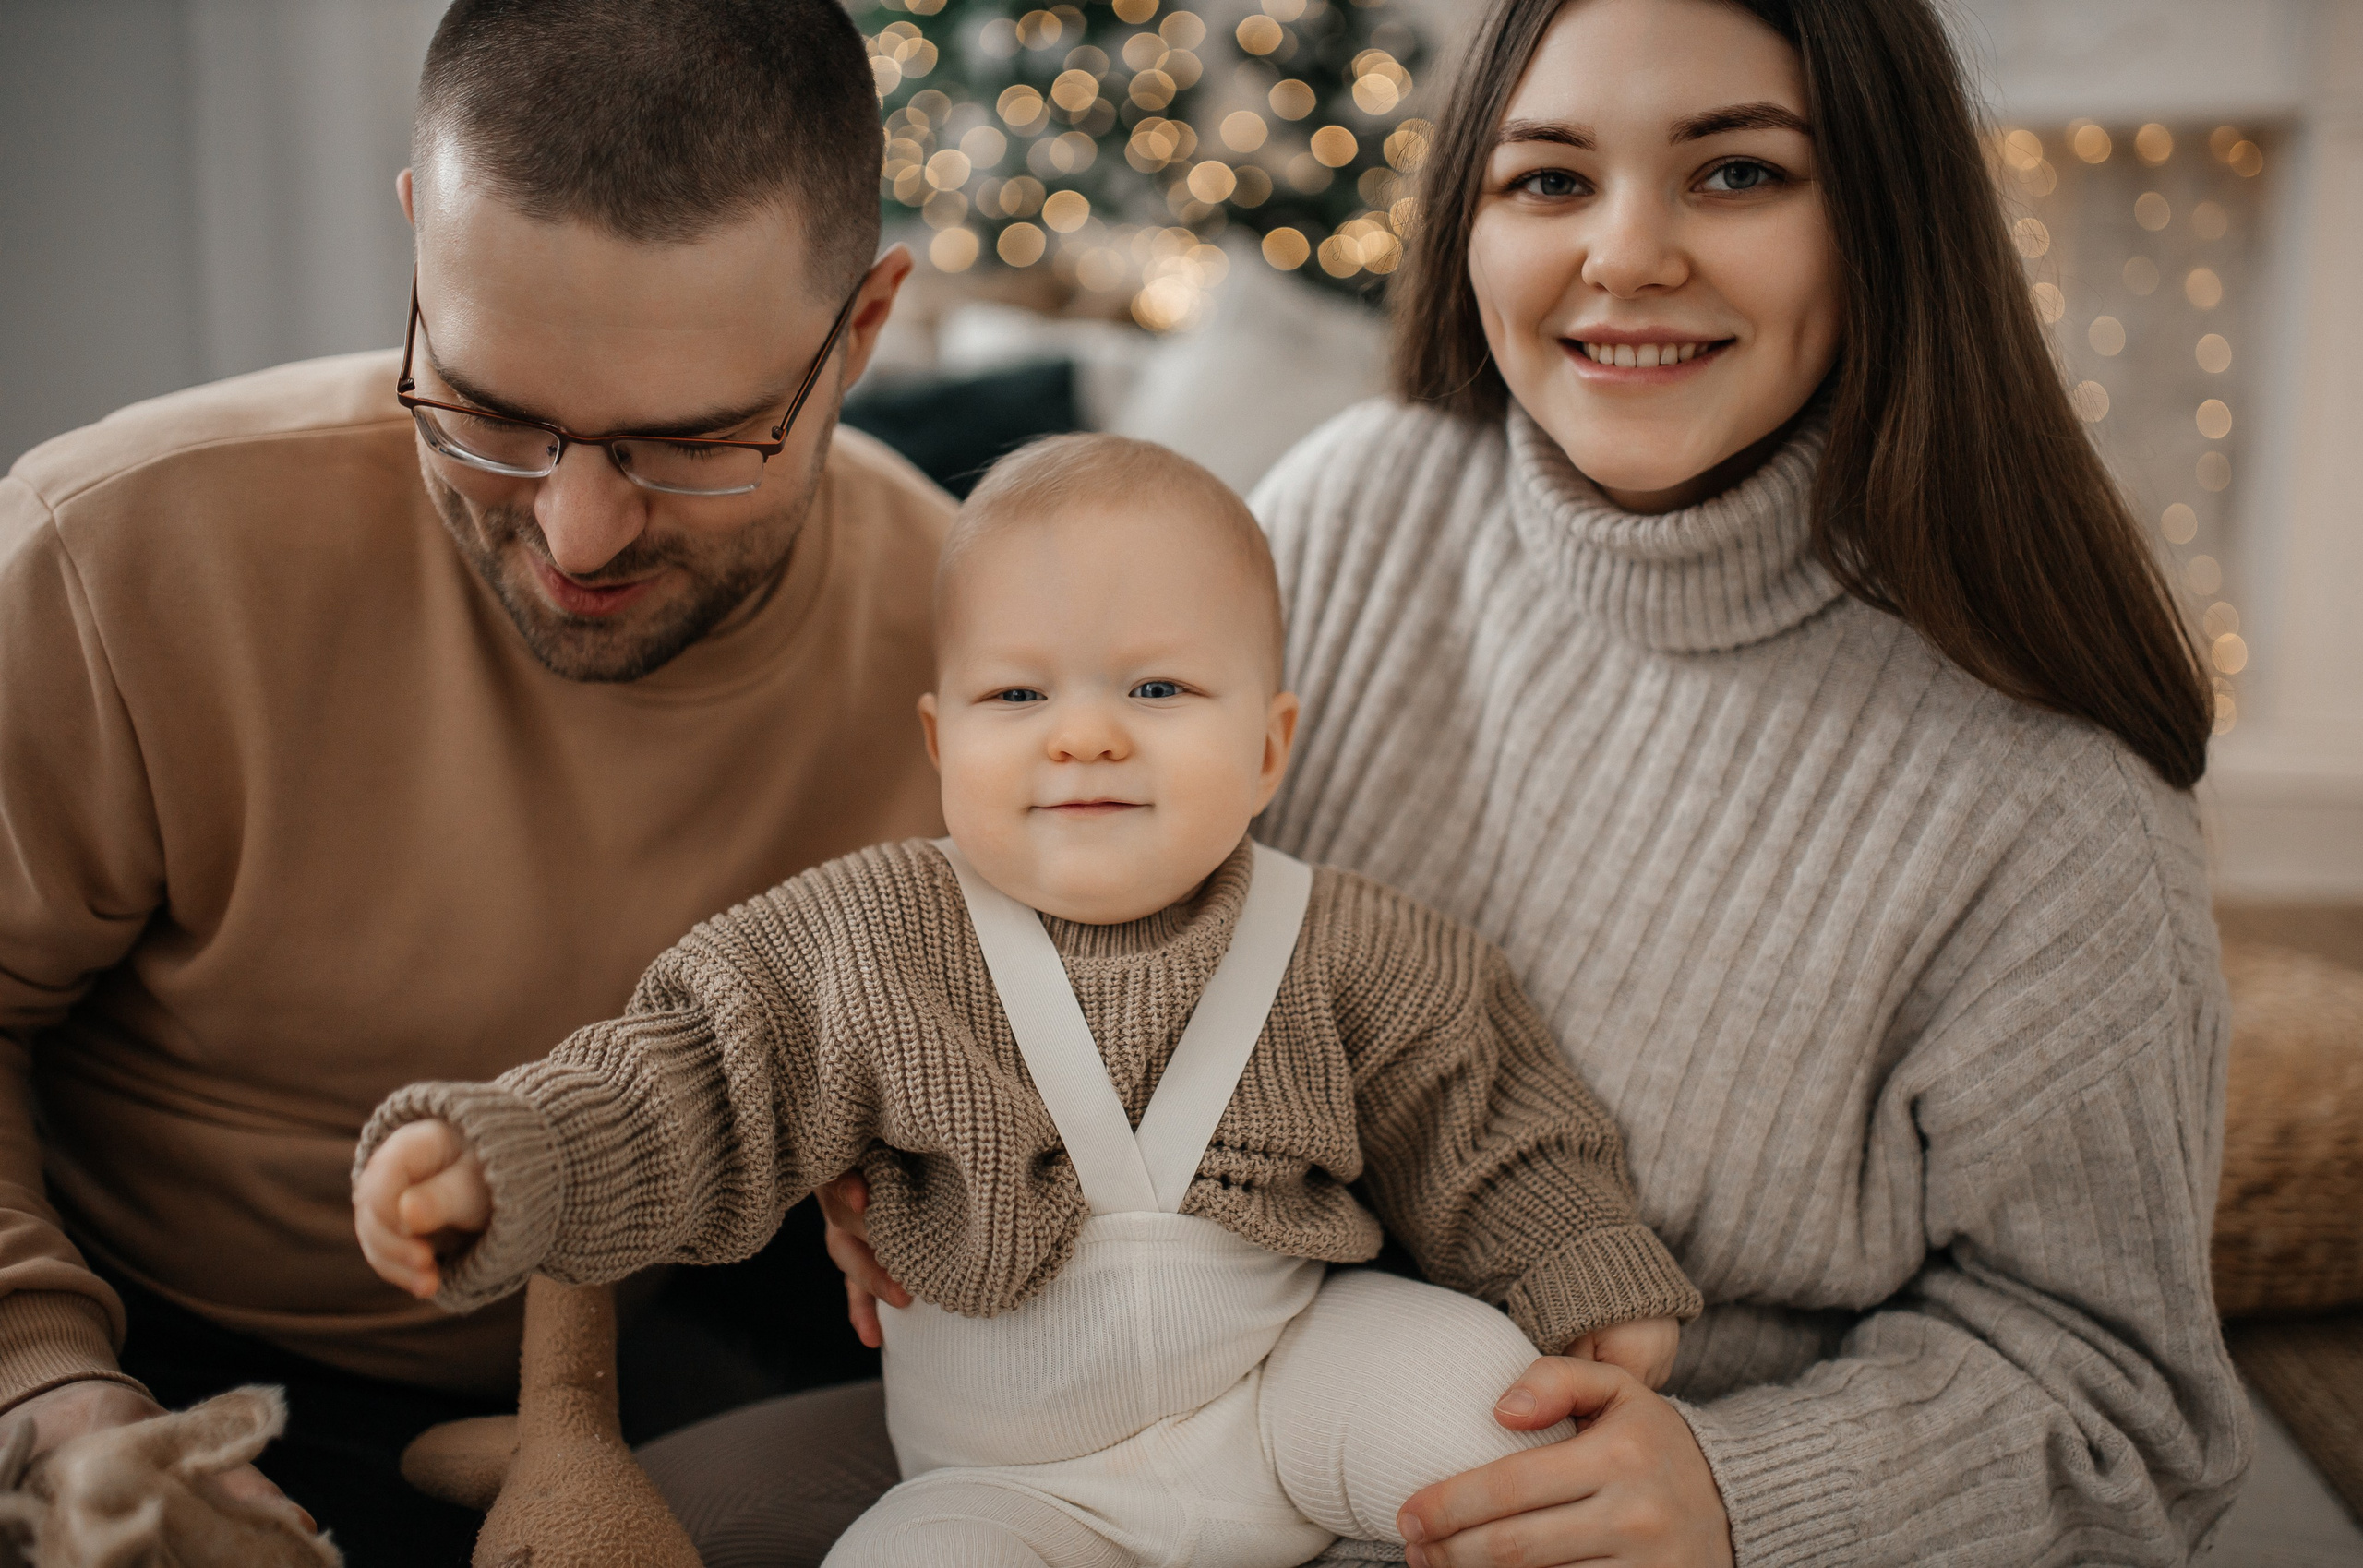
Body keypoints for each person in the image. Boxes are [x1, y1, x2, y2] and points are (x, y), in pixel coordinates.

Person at [816, 0, 2254, 1564]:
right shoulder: (1354, 511)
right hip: (1147, 1433)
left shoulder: (2055, 809)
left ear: (1887, 218)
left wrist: (1741, 1494)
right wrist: (936, 1097)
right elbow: (1095, 910)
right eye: (1551, 182)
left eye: (1737, 176)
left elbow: (2132, 1415)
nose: (1626, 255)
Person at [351, 434, 1704, 1568]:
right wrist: (505, 1156)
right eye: (1018, 692)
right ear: (942, 740)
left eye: (1158, 688)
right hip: (1011, 1481)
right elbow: (693, 1075)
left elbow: (1491, 1118)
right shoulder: (874, 936)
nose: (1085, 733)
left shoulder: (1351, 943)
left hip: (1290, 1380)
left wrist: (1577, 1265)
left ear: (1270, 746)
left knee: (1497, 1415)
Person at [0, 2, 948, 1562]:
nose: (575, 535)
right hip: (118, 1339)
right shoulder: (120, 551)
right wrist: (54, 1389)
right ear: (417, 246)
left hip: (614, 1382)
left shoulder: (976, 650)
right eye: (492, 412)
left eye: (696, 442)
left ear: (858, 331)